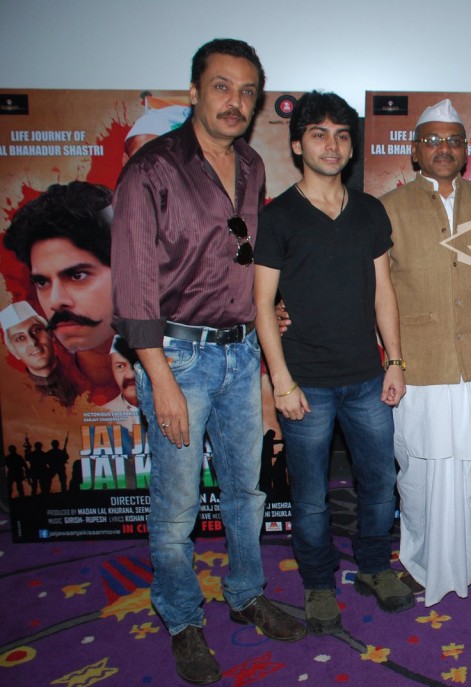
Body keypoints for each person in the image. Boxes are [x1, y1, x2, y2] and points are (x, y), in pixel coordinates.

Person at [111, 38, 305, 685]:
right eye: (222, 86)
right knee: (177, 506)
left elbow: (243, 255)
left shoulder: (251, 164)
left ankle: (246, 594)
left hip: (241, 353)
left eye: (248, 91)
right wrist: (159, 378)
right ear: (194, 91)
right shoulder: (151, 169)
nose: (235, 101)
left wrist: (265, 308)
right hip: (176, 359)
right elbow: (134, 285)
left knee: (247, 490)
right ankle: (182, 617)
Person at [254, 90, 412, 634]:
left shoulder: (369, 211)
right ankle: (319, 583)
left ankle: (374, 567)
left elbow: (384, 291)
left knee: (380, 485)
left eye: (342, 135)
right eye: (318, 134)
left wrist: (395, 361)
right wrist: (282, 382)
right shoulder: (278, 216)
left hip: (367, 379)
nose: (332, 145)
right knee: (311, 500)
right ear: (298, 144)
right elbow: (262, 304)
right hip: (306, 384)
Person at [380, 98, 471, 606]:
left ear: (466, 150)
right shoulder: (389, 207)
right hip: (420, 363)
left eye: (453, 140)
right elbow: (376, 289)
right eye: (432, 140)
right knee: (422, 470)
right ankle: (423, 561)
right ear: (415, 151)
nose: (443, 148)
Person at [4, 182, 119, 402]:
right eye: (42, 282)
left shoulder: (179, 366)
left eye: (77, 276)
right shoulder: (37, 398)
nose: (55, 301)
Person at [0, 300, 80, 407]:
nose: (32, 342)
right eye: (20, 338)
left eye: (36, 330)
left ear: (50, 334)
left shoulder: (83, 375)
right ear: (14, 352)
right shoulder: (15, 400)